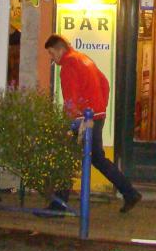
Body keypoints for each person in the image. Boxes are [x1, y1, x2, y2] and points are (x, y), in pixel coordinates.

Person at [44, 34, 142, 213]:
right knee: (97, 158)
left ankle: (58, 205)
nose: (52, 58)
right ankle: (130, 193)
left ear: (60, 49)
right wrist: (100, 107)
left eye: (51, 53)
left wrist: (71, 120)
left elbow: (71, 98)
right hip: (95, 116)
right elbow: (105, 83)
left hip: (84, 119)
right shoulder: (84, 59)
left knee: (68, 157)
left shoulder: (69, 65)